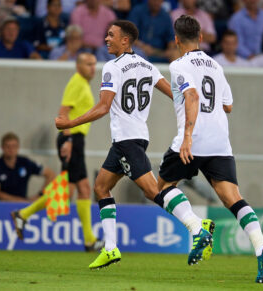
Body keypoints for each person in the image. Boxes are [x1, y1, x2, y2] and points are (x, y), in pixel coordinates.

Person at [55, 20, 213, 269]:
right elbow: (175, 94)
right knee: (101, 187)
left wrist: (69, 123)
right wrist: (199, 111)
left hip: (127, 140)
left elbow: (103, 107)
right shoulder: (148, 66)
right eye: (106, 35)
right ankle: (110, 248)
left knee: (152, 191)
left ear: (125, 40)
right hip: (132, 138)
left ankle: (196, 227)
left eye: (111, 35)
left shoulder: (112, 67)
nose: (106, 39)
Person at [158, 15, 263, 283]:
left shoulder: (178, 65)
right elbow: (228, 106)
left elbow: (192, 95)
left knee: (162, 188)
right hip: (220, 141)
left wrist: (188, 135)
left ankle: (198, 230)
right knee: (233, 199)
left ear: (176, 40)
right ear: (201, 37)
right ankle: (262, 249)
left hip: (194, 138)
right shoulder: (216, 66)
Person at [11, 53, 104, 251]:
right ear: (78, 66)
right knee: (82, 189)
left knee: (68, 191)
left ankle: (24, 214)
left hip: (76, 139)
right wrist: (68, 140)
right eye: (88, 64)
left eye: (94, 64)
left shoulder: (83, 84)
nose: (92, 68)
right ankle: (89, 240)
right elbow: (63, 112)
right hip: (72, 138)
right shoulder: (77, 83)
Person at [0, 132, 55, 202]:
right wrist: (19, 200)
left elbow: (50, 174)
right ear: (2, 148)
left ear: (18, 147)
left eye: (14, 146)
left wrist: (40, 195)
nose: (11, 150)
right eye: (8, 146)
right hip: (2, 205)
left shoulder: (25, 163)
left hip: (22, 206)